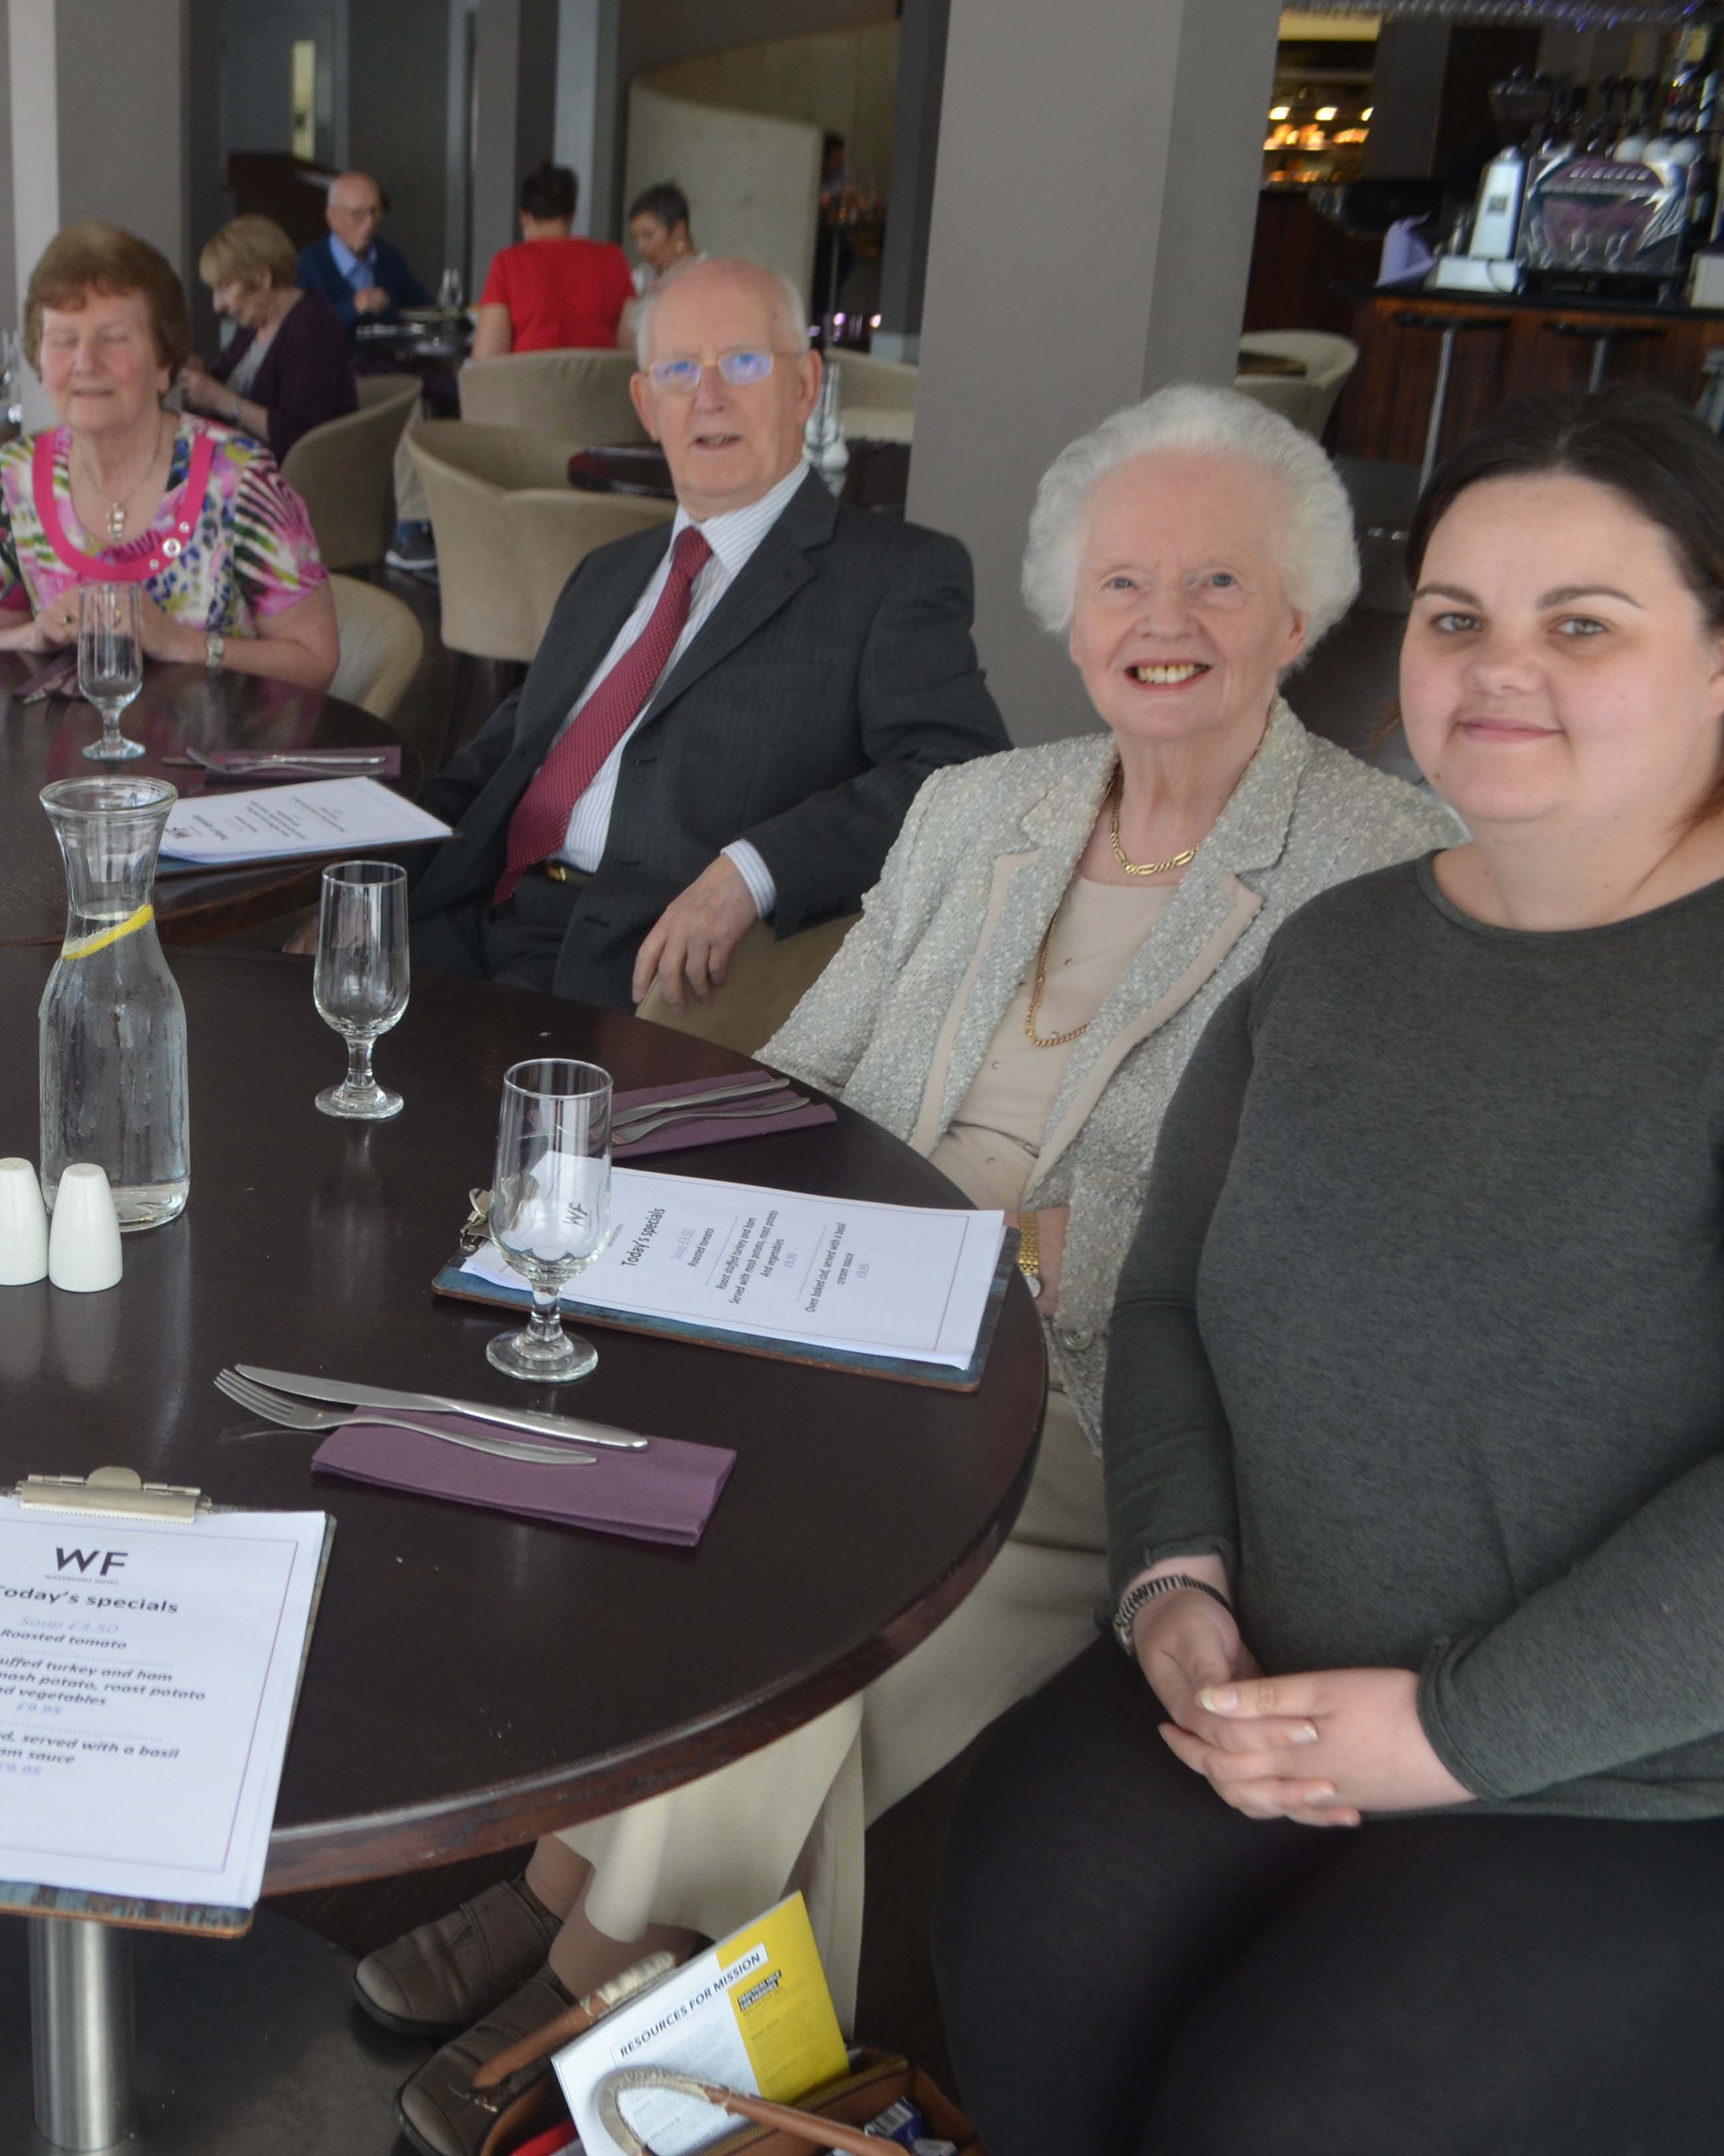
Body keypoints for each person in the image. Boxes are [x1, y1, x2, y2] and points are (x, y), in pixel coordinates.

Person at [360, 383, 1459, 2156]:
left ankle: (595, 1938)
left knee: (802, 1574)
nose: (1161, 626)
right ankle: (630, 1950)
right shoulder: (983, 808)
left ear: (1305, 610)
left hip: (1094, 1391)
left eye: (1217, 586)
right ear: (1064, 605)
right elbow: (806, 1078)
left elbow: (1342, 1232)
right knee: (655, 1456)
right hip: (845, 1315)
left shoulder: (1386, 870)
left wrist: (1058, 1246)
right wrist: (642, 1196)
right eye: (1121, 585)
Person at [935, 390, 1724, 2150]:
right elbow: (1165, 1301)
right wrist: (1171, 1579)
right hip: (1261, 1691)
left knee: (1286, 2108)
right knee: (1022, 1926)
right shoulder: (1345, 949)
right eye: (1455, 619)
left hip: (1631, 1783)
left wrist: (1448, 1733)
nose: (1496, 669)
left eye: (1581, 624)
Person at [406, 257, 1007, 1013]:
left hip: (636, 977)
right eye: (678, 370)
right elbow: (507, 754)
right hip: (468, 920)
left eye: (743, 363)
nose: (708, 396)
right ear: (645, 403)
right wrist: (361, 862)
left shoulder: (892, 576)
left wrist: (753, 870)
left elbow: (961, 777)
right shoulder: (604, 573)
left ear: (804, 385)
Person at [0, 221, 340, 694]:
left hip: (221, 756)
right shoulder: (17, 474)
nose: (85, 362)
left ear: (165, 364)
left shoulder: (238, 479)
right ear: (40, 362)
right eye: (63, 339)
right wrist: (37, 633)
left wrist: (182, 643)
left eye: (114, 337)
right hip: (67, 762)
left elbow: (317, 659)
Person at [180, 213, 358, 460]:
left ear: (263, 278)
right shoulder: (255, 321)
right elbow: (223, 379)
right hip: (235, 462)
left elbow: (299, 436)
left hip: (276, 479)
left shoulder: (312, 327)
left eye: (225, 288)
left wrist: (220, 400)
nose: (217, 305)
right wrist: (200, 374)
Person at [472, 162, 637, 359]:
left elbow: (488, 358)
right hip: (596, 389)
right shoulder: (613, 259)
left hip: (529, 387)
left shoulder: (507, 263)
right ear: (572, 216)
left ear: (525, 217)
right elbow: (630, 352)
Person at [299, 168, 431, 332]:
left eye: (375, 212)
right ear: (332, 217)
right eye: (358, 214)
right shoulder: (310, 264)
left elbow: (424, 309)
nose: (369, 223)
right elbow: (304, 329)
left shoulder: (389, 257)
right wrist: (353, 308)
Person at [620, 179, 698, 344]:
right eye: (636, 238)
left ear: (678, 231)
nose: (640, 246)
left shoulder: (704, 276)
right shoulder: (641, 278)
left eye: (648, 235)